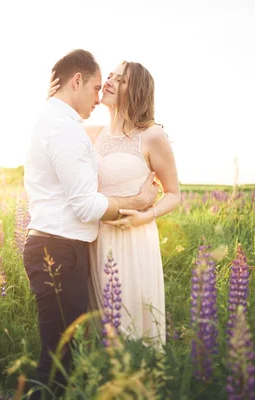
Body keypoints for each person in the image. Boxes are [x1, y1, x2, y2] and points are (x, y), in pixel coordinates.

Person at [23, 49, 159, 399]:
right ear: (77, 81)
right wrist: (140, 203)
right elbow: (86, 205)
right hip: (59, 248)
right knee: (59, 357)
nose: (100, 97)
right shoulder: (65, 129)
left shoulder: (58, 120)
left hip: (72, 247)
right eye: (97, 87)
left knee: (67, 350)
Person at [48, 60, 180, 346]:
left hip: (135, 239)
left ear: (136, 91)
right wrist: (52, 100)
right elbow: (54, 131)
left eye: (120, 80)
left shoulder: (152, 135)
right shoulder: (91, 133)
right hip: (95, 239)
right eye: (109, 76)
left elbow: (173, 193)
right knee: (101, 329)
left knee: (133, 326)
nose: (108, 81)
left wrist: (148, 215)